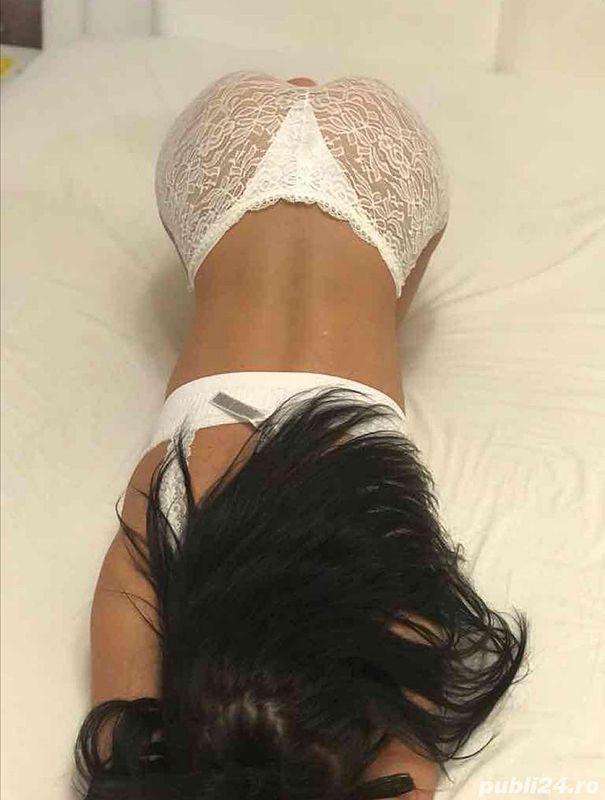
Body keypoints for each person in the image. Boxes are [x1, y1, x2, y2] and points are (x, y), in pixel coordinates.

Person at [72, 73, 528, 799]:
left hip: (372, 158)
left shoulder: (392, 580)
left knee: (372, 297)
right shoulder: (170, 506)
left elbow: (405, 779)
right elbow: (119, 744)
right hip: (245, 148)